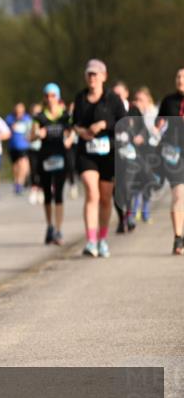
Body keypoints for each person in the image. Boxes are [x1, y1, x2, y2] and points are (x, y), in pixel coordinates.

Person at [70, 59, 126, 258]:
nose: (92, 77)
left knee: (105, 198)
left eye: (95, 74)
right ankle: (91, 241)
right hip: (87, 152)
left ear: (104, 76)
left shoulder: (113, 99)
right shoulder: (80, 98)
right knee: (92, 193)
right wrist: (81, 131)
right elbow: (74, 123)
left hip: (109, 153)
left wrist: (104, 124)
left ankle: (102, 239)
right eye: (89, 74)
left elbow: (124, 122)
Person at [33, 83, 73, 245]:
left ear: (58, 97)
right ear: (44, 98)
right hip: (45, 157)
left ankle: (58, 229)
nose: (50, 99)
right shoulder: (40, 116)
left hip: (61, 156)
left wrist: (69, 139)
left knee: (59, 194)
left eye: (53, 95)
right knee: (47, 194)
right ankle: (49, 226)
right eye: (47, 96)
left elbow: (72, 131)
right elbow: (31, 136)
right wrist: (38, 134)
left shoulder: (65, 116)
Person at [156, 68, 184, 255]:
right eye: (178, 76)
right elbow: (158, 123)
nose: (180, 79)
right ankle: (178, 238)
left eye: (183, 77)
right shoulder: (168, 101)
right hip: (174, 153)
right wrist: (158, 127)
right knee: (179, 195)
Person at [129, 87, 161, 225]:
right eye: (136, 99)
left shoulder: (154, 113)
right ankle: (135, 209)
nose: (138, 102)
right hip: (137, 151)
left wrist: (149, 133)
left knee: (147, 180)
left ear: (148, 99)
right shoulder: (134, 113)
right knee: (137, 179)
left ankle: (145, 210)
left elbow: (159, 132)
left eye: (141, 99)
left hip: (152, 150)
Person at [111, 81, 137, 234]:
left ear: (126, 93)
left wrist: (140, 136)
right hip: (114, 155)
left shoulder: (133, 110)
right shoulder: (109, 110)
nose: (117, 98)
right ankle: (121, 219)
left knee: (127, 186)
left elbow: (143, 130)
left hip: (131, 155)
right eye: (115, 95)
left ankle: (130, 215)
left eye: (120, 94)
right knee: (116, 190)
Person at [6, 102, 33, 195]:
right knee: (15, 166)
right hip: (13, 146)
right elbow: (8, 129)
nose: (19, 112)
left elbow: (31, 130)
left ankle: (20, 183)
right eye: (17, 110)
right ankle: (16, 182)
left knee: (23, 163)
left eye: (21, 110)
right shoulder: (10, 118)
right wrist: (16, 120)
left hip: (24, 145)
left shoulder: (27, 118)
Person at [27, 102, 45, 205]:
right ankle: (34, 189)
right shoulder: (29, 123)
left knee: (42, 170)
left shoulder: (45, 122)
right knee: (34, 170)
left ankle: (42, 190)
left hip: (43, 149)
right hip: (33, 149)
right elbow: (27, 137)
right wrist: (35, 136)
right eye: (35, 112)